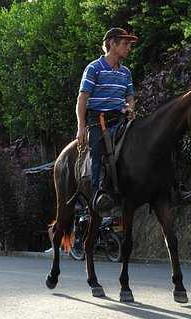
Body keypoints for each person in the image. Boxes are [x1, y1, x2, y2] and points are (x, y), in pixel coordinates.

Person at [76, 28, 138, 212]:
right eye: (125, 44)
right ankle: (99, 194)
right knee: (98, 155)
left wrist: (131, 108)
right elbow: (82, 99)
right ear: (112, 44)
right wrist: (81, 127)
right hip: (98, 122)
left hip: (121, 120)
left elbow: (130, 98)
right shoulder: (94, 68)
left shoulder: (126, 72)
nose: (129, 48)